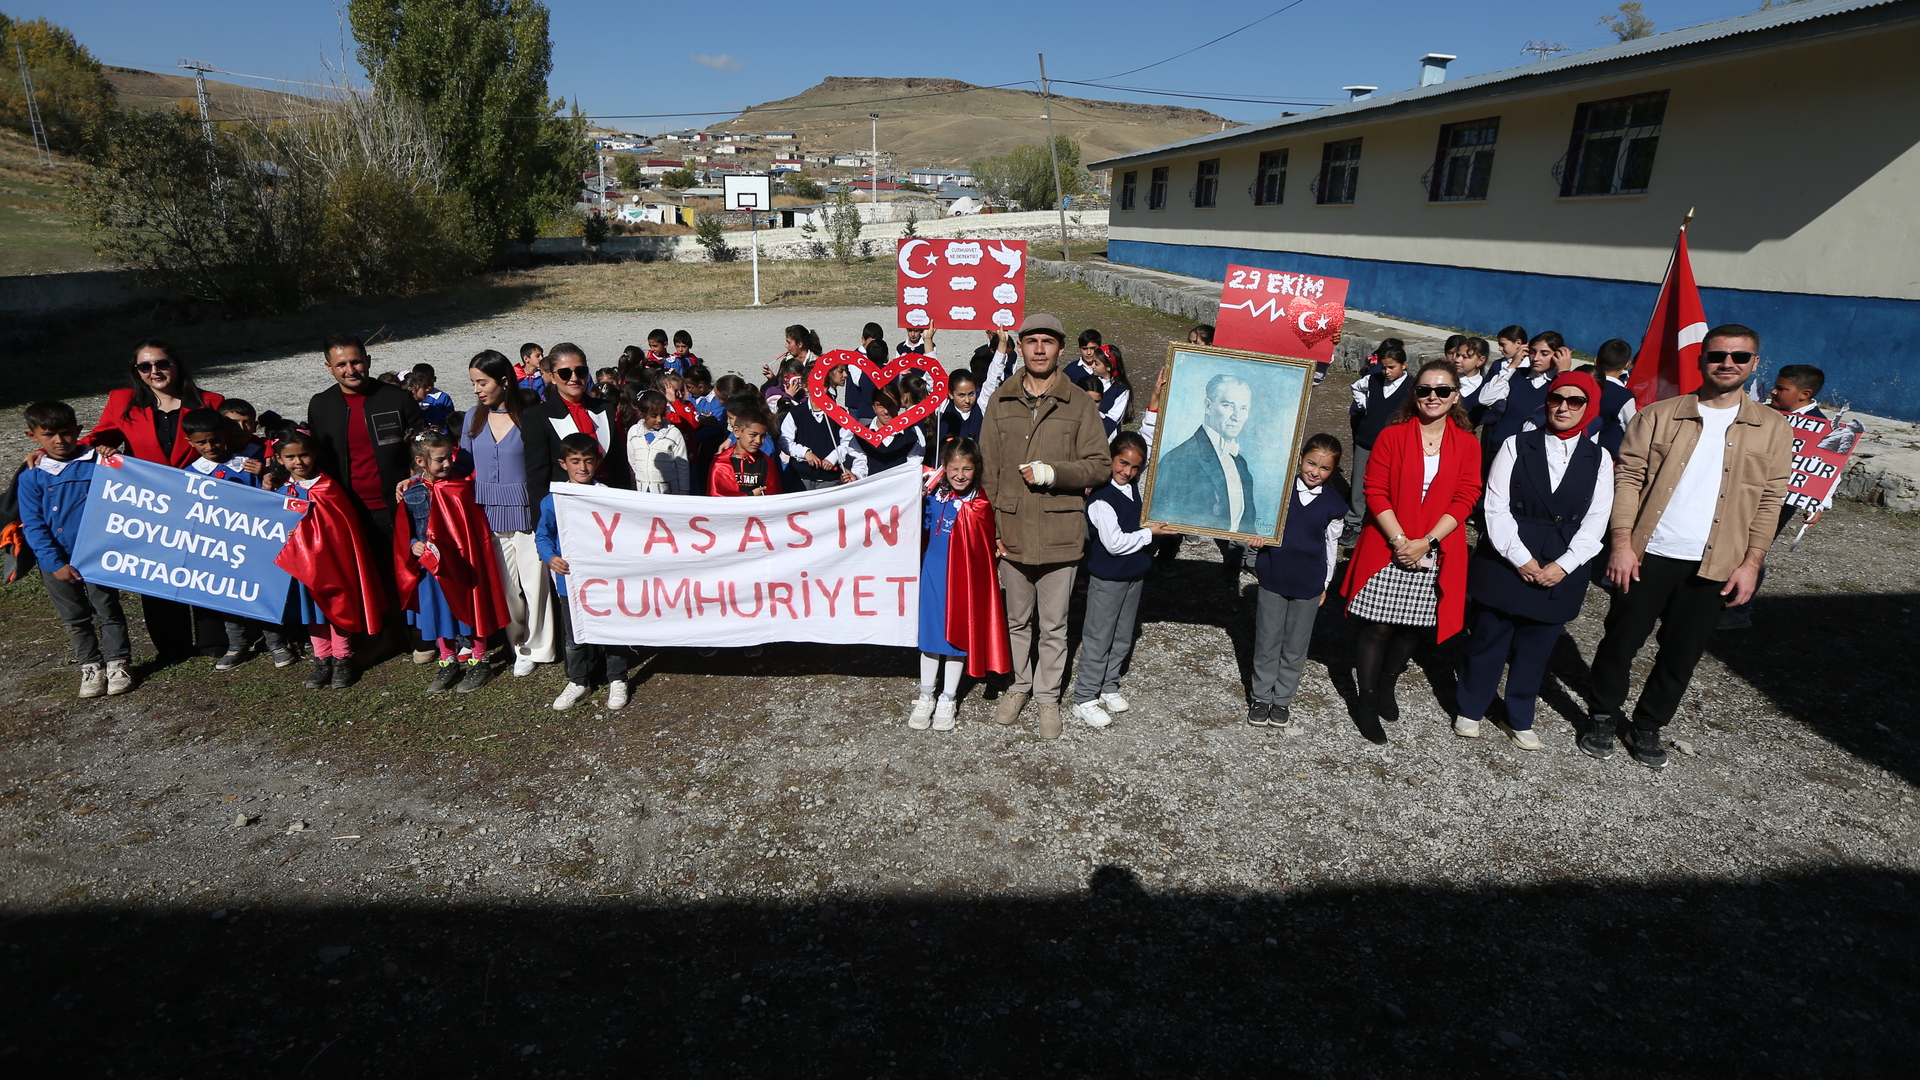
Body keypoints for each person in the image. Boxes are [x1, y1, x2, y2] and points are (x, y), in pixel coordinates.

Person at [1586, 326, 1793, 768]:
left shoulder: (1773, 428)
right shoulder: (1659, 415)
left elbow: (1771, 499)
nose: (1728, 363)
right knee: (1620, 642)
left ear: (1756, 364)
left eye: (1740, 357)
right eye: (1718, 355)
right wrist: (1622, 544)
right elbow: (1628, 479)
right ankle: (1602, 714)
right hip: (1649, 554)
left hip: (1717, 561)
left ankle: (1648, 725)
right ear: (1701, 360)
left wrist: (1752, 562)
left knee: (1682, 654)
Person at [1454, 371, 1614, 749]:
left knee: (1537, 647)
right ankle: (1471, 707)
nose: (1563, 407)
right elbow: (1495, 507)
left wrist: (1564, 565)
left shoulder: (1600, 457)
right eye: (1558, 398)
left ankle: (1518, 716)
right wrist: (1521, 559)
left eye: (1575, 402)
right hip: (1509, 556)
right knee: (1489, 637)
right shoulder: (1516, 444)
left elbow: (1597, 520)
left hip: (1562, 561)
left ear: (1589, 409)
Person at [978, 312, 1112, 739]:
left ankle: (1048, 697)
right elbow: (989, 471)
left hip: (1059, 533)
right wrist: (994, 529)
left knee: (1054, 624)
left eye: (1047, 342)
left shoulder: (1077, 402)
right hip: (1013, 530)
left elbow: (1100, 466)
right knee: (1017, 621)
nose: (1039, 348)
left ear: (1060, 348)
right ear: (1019, 346)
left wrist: (1054, 473)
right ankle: (1019, 686)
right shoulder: (1001, 400)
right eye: (1031, 341)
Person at [1340, 360, 1484, 744]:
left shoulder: (1468, 444)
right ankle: (1366, 702)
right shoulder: (1393, 436)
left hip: (1435, 545)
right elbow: (1375, 490)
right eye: (1424, 390)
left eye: (1442, 390)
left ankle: (1387, 684)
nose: (1432, 397)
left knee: (1411, 625)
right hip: (1390, 542)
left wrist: (1428, 541)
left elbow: (1466, 497)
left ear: (1456, 396)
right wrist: (1401, 541)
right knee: (1377, 625)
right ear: (1414, 394)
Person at [75, 341, 227, 660]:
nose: (154, 371)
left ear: (177, 364)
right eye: (145, 367)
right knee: (157, 571)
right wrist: (50, 453)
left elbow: (237, 440)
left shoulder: (211, 401)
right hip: (150, 504)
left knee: (203, 567)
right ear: (137, 372)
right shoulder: (122, 401)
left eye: (162, 363)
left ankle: (213, 641)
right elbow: (97, 440)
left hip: (199, 501)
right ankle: (173, 646)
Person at [19, 401, 133, 698]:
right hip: (55, 560)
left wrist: (116, 457)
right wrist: (53, 562)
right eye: (49, 435)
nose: (59, 441)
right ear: (33, 436)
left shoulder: (99, 462)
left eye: (66, 433)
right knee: (74, 616)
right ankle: (90, 665)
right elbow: (33, 524)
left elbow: (128, 495)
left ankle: (118, 662)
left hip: (96, 554)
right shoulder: (32, 475)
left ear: (78, 431)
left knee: (107, 609)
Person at [460, 350, 559, 677]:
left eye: (481, 381)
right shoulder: (470, 419)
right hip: (488, 514)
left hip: (527, 513)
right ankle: (517, 643)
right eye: (474, 382)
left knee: (535, 584)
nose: (476, 389)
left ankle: (538, 646)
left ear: (503, 381)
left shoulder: (530, 417)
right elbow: (459, 466)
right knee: (506, 588)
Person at [1071, 432, 1179, 729]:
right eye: (1123, 463)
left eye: (1135, 467)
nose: (1128, 472)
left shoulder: (1132, 489)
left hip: (1134, 575)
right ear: (1111, 459)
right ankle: (1084, 698)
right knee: (1098, 637)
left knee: (1122, 635)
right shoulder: (1100, 499)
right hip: (1107, 579)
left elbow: (1152, 435)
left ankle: (1108, 685)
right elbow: (1115, 543)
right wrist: (1150, 534)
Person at [1245, 434, 1348, 732]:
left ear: (1333, 470)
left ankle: (1282, 700)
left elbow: (1331, 546)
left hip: (1308, 585)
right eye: (1311, 463)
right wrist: (1256, 538)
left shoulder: (1334, 505)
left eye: (1324, 468)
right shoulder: (1277, 491)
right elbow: (1258, 522)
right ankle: (1261, 697)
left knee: (1295, 647)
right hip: (1273, 578)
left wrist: (1325, 583)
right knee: (1267, 642)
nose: (1315, 472)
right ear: (1300, 458)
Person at [269, 430, 387, 691]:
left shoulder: (328, 487)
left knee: (336, 607)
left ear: (314, 454)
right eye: (290, 457)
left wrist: (307, 530)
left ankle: (343, 657)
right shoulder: (280, 491)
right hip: (300, 565)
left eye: (303, 455)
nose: (298, 462)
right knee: (312, 611)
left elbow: (339, 528)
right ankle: (322, 659)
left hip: (330, 563)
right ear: (279, 458)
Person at [180, 408, 295, 672]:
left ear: (225, 436)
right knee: (227, 595)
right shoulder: (188, 474)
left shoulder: (246, 466)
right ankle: (237, 644)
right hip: (216, 548)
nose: (210, 447)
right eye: (202, 442)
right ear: (190, 442)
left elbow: (265, 502)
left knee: (260, 591)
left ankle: (275, 642)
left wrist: (261, 479)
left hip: (252, 546)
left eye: (215, 440)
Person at [396, 430, 511, 694]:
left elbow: (471, 529)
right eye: (440, 459)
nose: (447, 464)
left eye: (449, 457)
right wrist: (413, 543)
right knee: (438, 610)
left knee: (470, 608)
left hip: (461, 564)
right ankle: (447, 660)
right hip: (430, 567)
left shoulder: (459, 487)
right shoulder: (412, 492)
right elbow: (409, 527)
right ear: (421, 461)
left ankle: (478, 660)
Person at [910, 438, 1011, 731]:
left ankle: (948, 696)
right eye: (954, 469)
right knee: (930, 636)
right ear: (945, 468)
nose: (960, 475)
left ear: (976, 468)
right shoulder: (933, 495)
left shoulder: (979, 504)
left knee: (956, 637)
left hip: (962, 580)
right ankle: (926, 693)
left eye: (967, 469)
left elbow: (981, 549)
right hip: (933, 574)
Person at [1720, 363, 1830, 631]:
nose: (1774, 391)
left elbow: (1826, 468)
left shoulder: (1822, 428)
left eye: (1782, 388)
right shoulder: (1764, 413)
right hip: (1742, 489)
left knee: (1754, 551)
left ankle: (1737, 611)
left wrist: (1818, 502)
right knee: (1724, 541)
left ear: (1804, 394)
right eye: (1775, 385)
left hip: (1780, 501)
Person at [537, 434, 632, 712]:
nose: (582, 468)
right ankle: (578, 681)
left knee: (612, 631)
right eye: (575, 461)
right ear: (563, 463)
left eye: (588, 461)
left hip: (605, 581)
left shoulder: (607, 497)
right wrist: (551, 557)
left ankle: (617, 678)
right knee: (574, 635)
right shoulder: (553, 499)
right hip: (571, 582)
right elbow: (543, 535)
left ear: (597, 463)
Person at [307, 333, 425, 557]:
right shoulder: (320, 405)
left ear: (368, 360)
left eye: (356, 361)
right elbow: (316, 458)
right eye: (341, 364)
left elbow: (424, 447)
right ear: (329, 367)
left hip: (398, 508)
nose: (350, 370)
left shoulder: (397, 399)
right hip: (346, 512)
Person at [1154, 371, 1259, 535]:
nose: (1237, 417)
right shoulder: (1179, 459)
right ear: (1208, 406)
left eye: (1243, 408)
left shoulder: (1240, 462)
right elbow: (1164, 521)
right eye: (1228, 405)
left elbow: (1247, 524)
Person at [523, 342, 633, 490]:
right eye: (565, 373)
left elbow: (618, 465)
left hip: (607, 503)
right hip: (564, 504)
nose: (574, 378)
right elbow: (537, 478)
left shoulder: (604, 408)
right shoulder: (537, 416)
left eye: (580, 371)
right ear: (553, 377)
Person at [1343, 344, 1412, 531]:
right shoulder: (1373, 379)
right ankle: (1354, 521)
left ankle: (1379, 521)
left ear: (1404, 365)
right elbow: (1355, 387)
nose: (1387, 372)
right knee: (1359, 481)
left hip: (1392, 445)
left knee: (1386, 483)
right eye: (1384, 367)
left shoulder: (1412, 387)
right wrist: (1366, 405)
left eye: (1392, 367)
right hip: (1366, 439)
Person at [1479, 331, 1563, 459]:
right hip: (1501, 448)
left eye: (1544, 354)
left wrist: (1563, 372)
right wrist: (1513, 365)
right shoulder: (1517, 375)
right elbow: (1485, 399)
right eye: (1532, 352)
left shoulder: (1560, 383)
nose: (1536, 358)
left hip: (1534, 454)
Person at [708, 402, 782, 498]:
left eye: (763, 436)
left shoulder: (766, 462)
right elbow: (717, 498)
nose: (758, 441)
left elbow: (774, 497)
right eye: (753, 435)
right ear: (737, 432)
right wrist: (749, 495)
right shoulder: (720, 463)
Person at [627, 390, 693, 494]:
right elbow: (632, 461)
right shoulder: (634, 433)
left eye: (662, 414)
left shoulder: (673, 434)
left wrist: (684, 491)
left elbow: (682, 466)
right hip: (643, 491)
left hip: (668, 493)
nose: (659, 419)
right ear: (641, 414)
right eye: (654, 415)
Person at [848, 386, 923, 478]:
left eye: (890, 405)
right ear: (874, 407)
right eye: (880, 405)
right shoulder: (862, 436)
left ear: (898, 405)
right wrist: (854, 476)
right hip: (873, 488)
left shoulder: (911, 436)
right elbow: (860, 465)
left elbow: (913, 466)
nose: (886, 411)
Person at [1591, 339, 1639, 459]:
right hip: (1605, 459)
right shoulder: (1623, 396)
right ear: (1627, 364)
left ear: (1596, 361)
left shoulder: (1581, 386)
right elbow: (1633, 429)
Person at [937, 370, 983, 450]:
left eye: (971, 394)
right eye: (961, 395)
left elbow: (993, 380)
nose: (967, 400)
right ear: (951, 394)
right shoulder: (942, 408)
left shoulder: (981, 407)